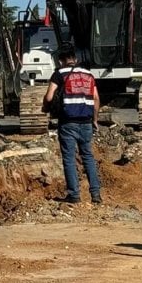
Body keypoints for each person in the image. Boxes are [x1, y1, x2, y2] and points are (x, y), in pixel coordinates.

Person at [42, 43, 103, 204]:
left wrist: (46, 109)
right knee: (88, 156)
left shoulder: (59, 74)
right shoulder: (88, 75)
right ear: (75, 59)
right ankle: (95, 194)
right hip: (86, 122)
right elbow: (96, 98)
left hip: (68, 122)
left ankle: (74, 195)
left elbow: (49, 97)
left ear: (61, 60)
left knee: (69, 158)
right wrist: (95, 120)